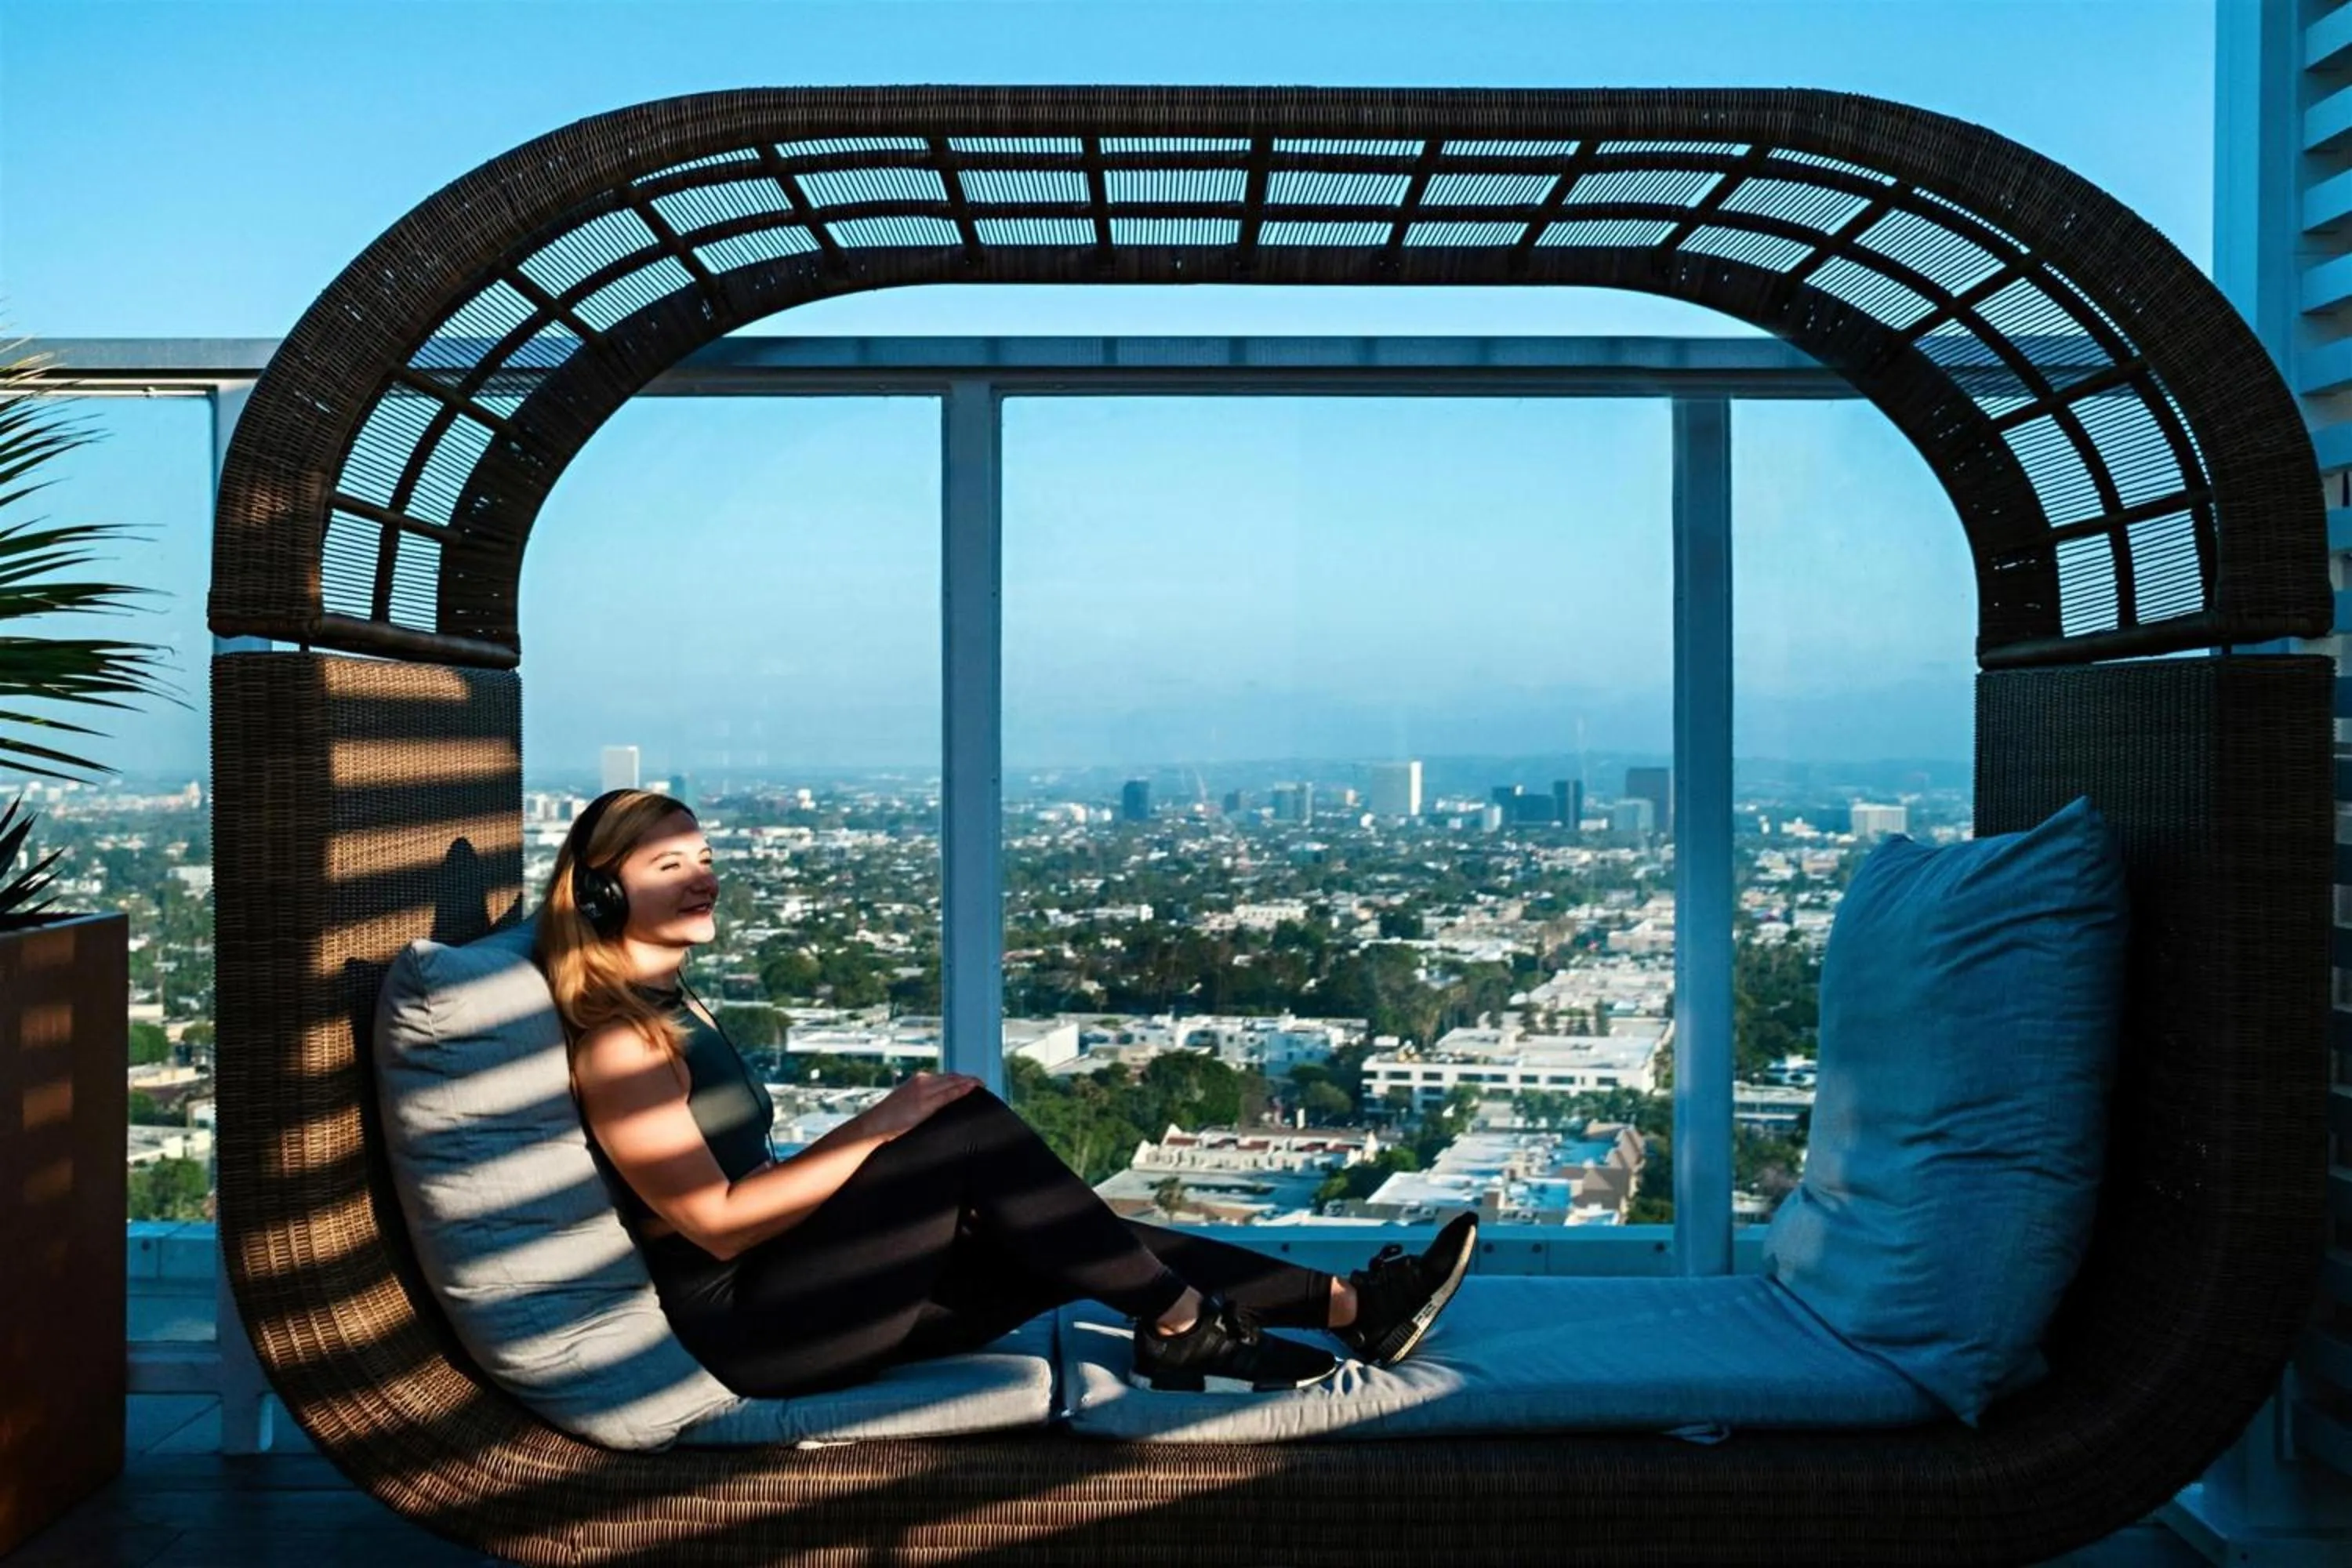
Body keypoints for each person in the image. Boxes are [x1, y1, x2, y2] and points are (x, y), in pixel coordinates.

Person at [542, 787, 1478, 1400]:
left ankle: (1353, 1306)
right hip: (758, 1329)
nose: (703, 878)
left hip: (804, 1289)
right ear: (601, 895)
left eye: (704, 857)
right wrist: (882, 1124)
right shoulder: (621, 1043)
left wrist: (883, 1140)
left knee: (1060, 1231)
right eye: (669, 866)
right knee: (959, 1128)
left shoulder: (675, 1006)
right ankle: (1187, 1327)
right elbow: (715, 1222)